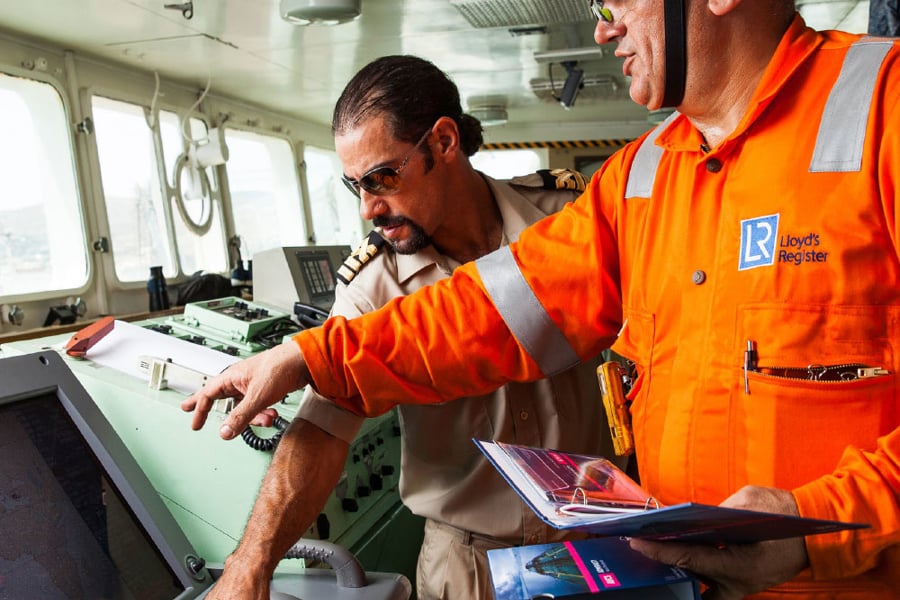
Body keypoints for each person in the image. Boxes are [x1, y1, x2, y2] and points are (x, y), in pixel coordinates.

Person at [184, 1, 900, 598]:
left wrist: (817, 523)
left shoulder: (884, 108)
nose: (603, 27)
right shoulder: (639, 180)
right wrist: (309, 352)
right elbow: (484, 318)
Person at [196, 55, 623, 600]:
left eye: (383, 178)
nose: (369, 208)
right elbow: (324, 427)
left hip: (598, 541)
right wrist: (251, 564)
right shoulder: (371, 288)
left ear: (444, 142)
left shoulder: (566, 223)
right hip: (469, 568)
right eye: (356, 186)